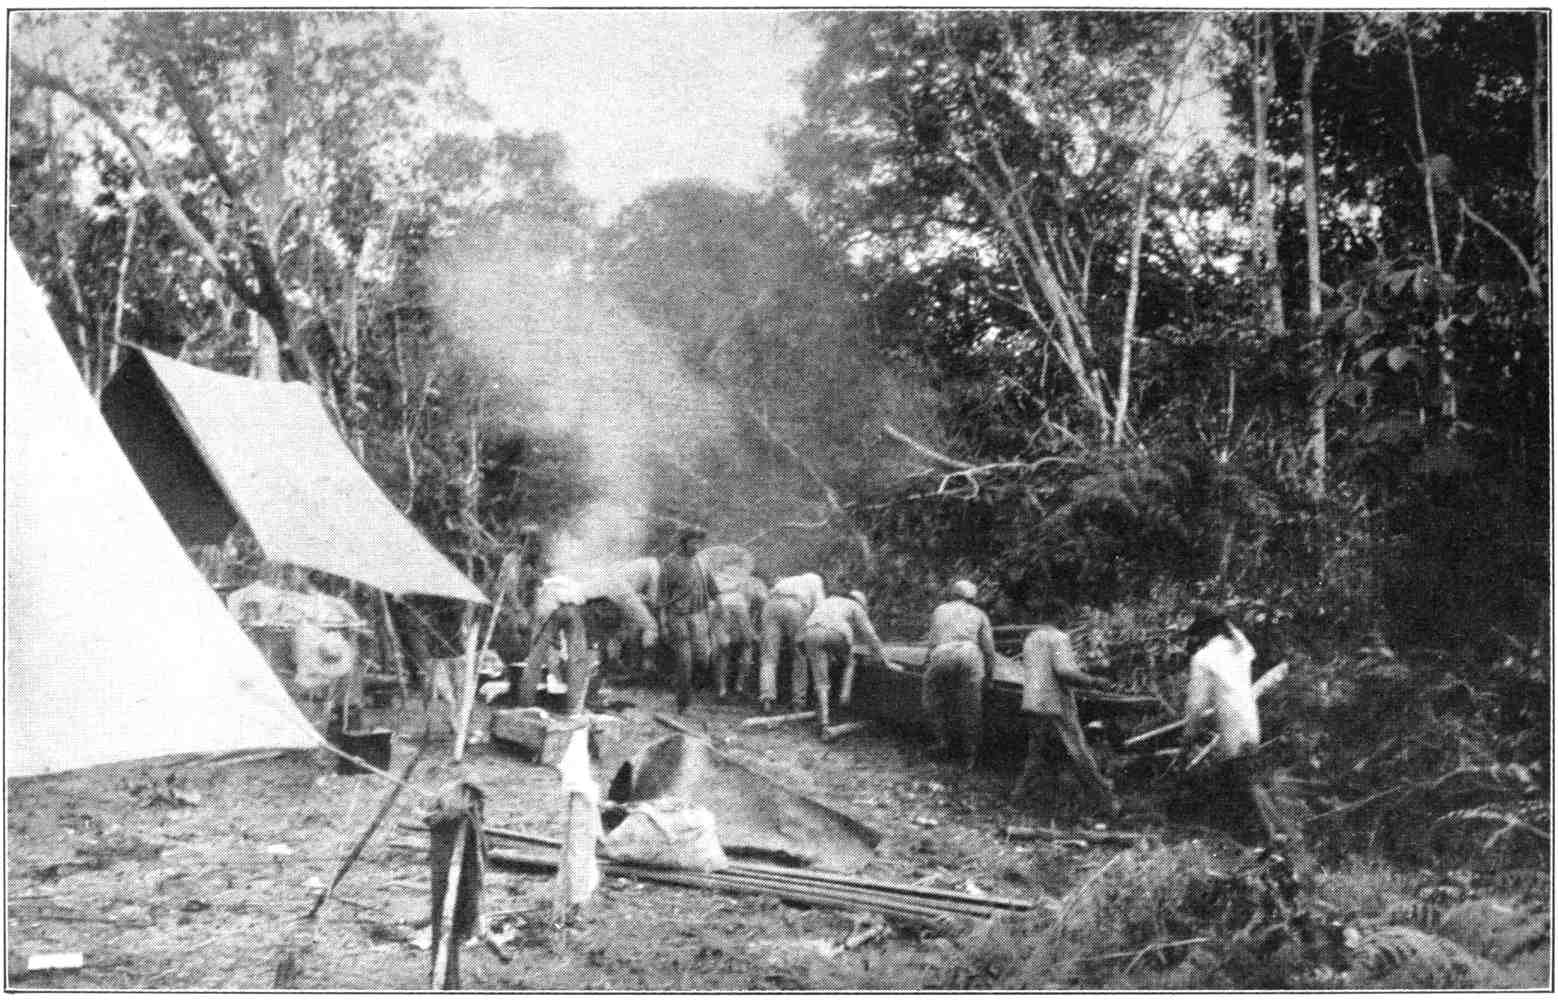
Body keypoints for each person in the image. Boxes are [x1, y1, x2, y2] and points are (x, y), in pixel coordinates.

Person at [1174, 606, 1280, 844]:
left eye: (1200, 633)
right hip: (1251, 724)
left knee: (1243, 785)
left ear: (1206, 632)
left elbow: (1196, 706)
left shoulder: (1203, 658)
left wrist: (1187, 738)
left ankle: (1270, 839)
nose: (1198, 638)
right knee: (1246, 780)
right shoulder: (1240, 650)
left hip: (1233, 729)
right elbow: (1248, 649)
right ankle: (1272, 834)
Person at [1013, 605, 1120, 817]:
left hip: (1033, 701)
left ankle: (1018, 797)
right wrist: (1094, 681)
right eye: (1067, 617)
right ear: (1060, 616)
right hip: (1054, 703)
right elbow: (1064, 671)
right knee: (1078, 751)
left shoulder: (1031, 638)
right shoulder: (1058, 638)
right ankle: (1106, 801)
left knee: (1036, 754)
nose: (1069, 622)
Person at [920, 579, 998, 769]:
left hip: (943, 653)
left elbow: (932, 643)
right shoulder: (979, 614)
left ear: (953, 594)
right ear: (972, 598)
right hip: (969, 653)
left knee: (933, 700)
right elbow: (989, 650)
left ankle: (943, 742)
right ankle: (970, 754)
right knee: (971, 706)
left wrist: (926, 664)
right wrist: (989, 676)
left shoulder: (940, 610)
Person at [798, 589, 891, 732]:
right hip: (835, 632)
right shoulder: (855, 606)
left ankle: (824, 721)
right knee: (850, 662)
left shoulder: (828, 601)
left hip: (810, 633)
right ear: (861, 603)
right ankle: (844, 699)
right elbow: (870, 635)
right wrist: (885, 659)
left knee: (820, 681)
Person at [657, 527, 719, 713]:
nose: (697, 546)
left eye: (699, 543)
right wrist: (663, 623)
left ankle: (689, 687)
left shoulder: (702, 561)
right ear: (684, 543)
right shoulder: (669, 563)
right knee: (684, 660)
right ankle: (683, 704)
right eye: (693, 543)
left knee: (703, 658)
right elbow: (662, 597)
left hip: (699, 615)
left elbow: (713, 589)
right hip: (678, 616)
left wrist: (719, 607)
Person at [758, 572, 827, 714]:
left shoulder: (790, 579)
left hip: (771, 604)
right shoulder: (816, 582)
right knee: (799, 656)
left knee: (768, 657)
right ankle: (798, 701)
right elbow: (820, 611)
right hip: (795, 606)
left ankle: (767, 699)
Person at [603, 555, 661, 676]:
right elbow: (654, 600)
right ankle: (647, 665)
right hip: (623, 593)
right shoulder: (655, 567)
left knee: (625, 628)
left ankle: (620, 663)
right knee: (651, 627)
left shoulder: (641, 563)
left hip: (611, 592)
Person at [712, 575, 767, 700]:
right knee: (747, 646)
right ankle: (739, 686)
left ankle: (722, 690)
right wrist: (755, 635)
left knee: (724, 651)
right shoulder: (757, 585)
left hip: (719, 606)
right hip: (738, 607)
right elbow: (761, 607)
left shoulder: (737, 583)